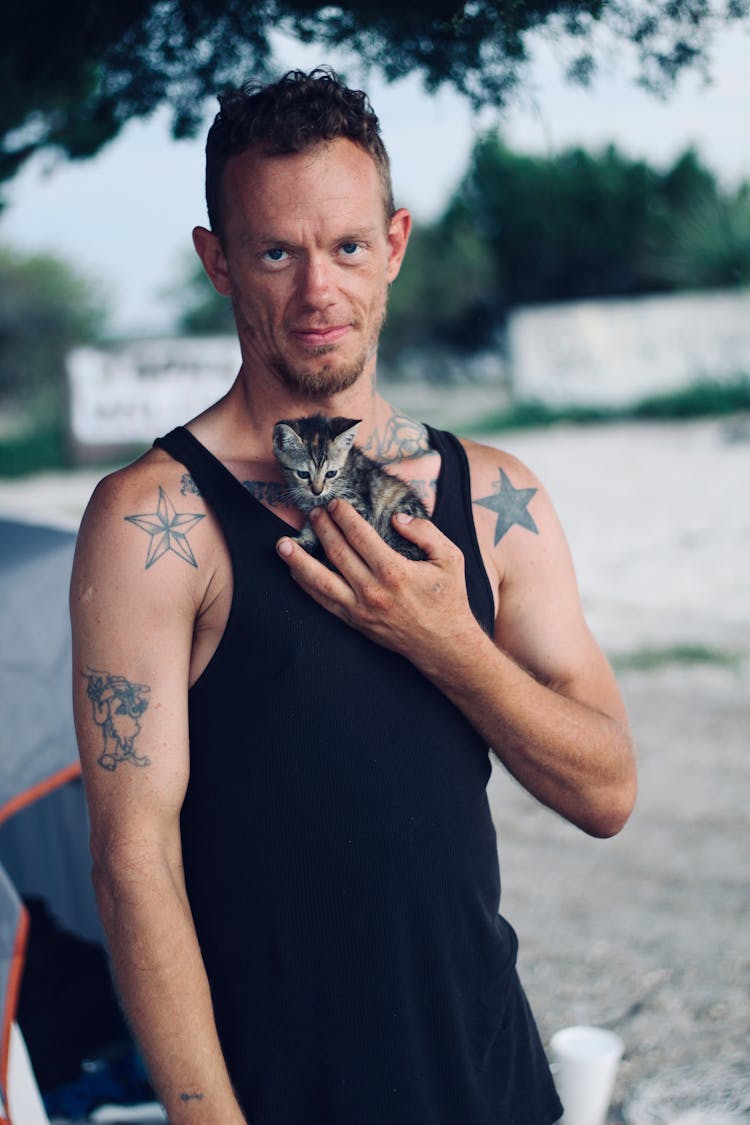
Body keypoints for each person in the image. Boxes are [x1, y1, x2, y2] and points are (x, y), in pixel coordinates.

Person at [70, 67, 637, 1125]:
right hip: (281, 1097)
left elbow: (605, 794)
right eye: (277, 251)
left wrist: (449, 643)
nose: (316, 292)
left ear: (396, 245)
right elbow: (129, 862)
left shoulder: (496, 494)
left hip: (494, 1084)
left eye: (345, 247)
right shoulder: (158, 523)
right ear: (219, 261)